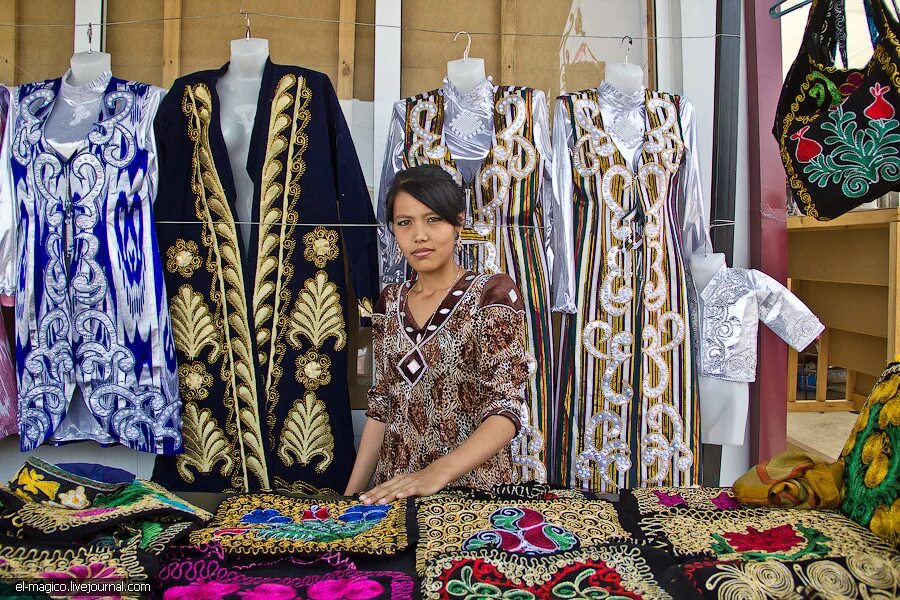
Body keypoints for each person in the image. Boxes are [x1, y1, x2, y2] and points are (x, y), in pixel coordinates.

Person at [344, 164, 530, 504]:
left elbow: (506, 409)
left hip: (470, 498)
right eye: (405, 223)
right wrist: (351, 500)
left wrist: (437, 473)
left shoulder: (492, 295)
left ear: (458, 223)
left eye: (433, 220)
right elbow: (382, 406)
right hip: (395, 494)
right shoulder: (389, 301)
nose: (419, 235)